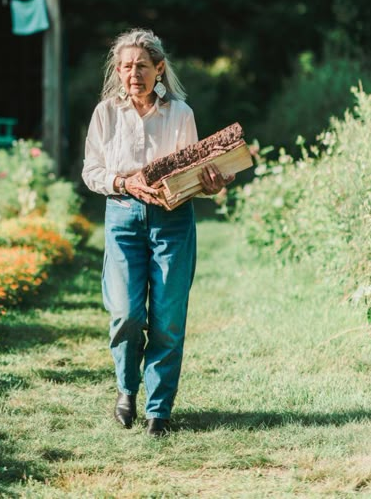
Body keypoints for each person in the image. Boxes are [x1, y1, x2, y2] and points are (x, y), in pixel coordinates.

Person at [81, 28, 234, 437]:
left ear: (160, 70)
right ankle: (127, 389)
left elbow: (191, 175)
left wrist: (211, 183)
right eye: (127, 66)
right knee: (127, 314)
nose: (135, 74)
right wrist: (124, 183)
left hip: (173, 222)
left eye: (143, 66)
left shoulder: (181, 113)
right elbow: (91, 171)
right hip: (123, 218)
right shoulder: (106, 113)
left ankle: (159, 411)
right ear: (118, 70)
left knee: (167, 319)